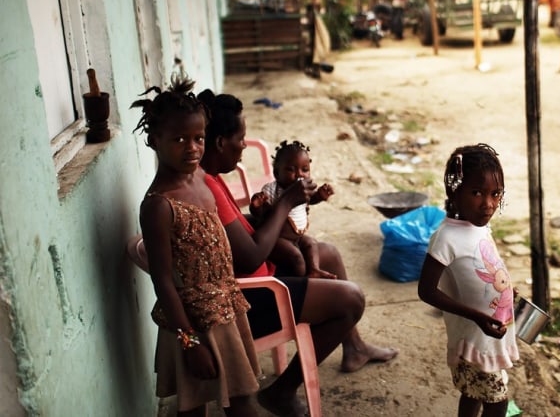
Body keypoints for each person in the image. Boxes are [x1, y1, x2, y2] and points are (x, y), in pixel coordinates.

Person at [197, 90, 398, 415]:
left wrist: (263, 215)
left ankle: (354, 347)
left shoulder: (211, 179)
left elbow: (237, 232)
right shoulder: (207, 186)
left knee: (327, 252)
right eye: (241, 138)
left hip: (256, 277)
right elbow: (249, 257)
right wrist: (287, 202)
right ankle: (282, 390)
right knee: (351, 299)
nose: (245, 145)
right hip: (252, 298)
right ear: (220, 143)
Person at [131, 78, 260, 417]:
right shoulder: (159, 206)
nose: (192, 148)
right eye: (179, 139)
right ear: (154, 141)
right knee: (193, 406)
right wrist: (190, 342)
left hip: (226, 310)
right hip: (190, 323)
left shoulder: (202, 181)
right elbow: (163, 281)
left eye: (198, 138)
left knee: (243, 399)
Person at [418, 144, 519, 417]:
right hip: (474, 339)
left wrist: (508, 290)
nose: (488, 204)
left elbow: (486, 264)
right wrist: (475, 316)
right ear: (455, 191)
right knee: (497, 403)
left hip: (488, 334)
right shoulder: (446, 238)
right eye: (477, 192)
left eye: (495, 194)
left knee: (473, 393)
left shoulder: (482, 226)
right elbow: (426, 291)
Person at [249, 140, 337, 279]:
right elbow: (261, 215)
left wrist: (320, 195)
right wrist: (256, 206)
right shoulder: (272, 190)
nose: (299, 174)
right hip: (278, 238)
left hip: (297, 236)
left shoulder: (304, 189)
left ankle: (314, 269)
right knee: (297, 259)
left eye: (305, 169)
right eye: (291, 169)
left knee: (311, 243)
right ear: (277, 173)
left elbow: (310, 200)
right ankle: (298, 284)